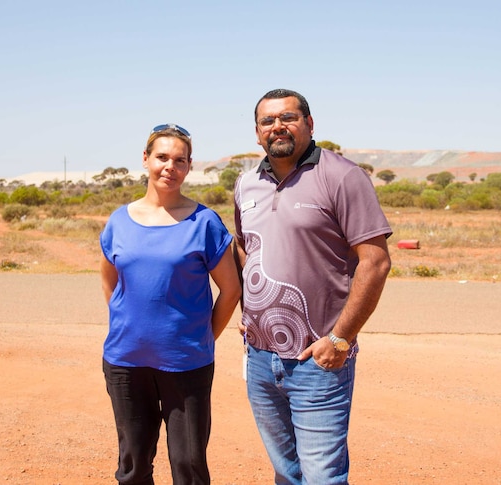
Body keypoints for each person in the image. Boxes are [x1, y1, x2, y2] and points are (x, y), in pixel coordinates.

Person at [233, 89, 392, 484]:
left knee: (322, 477)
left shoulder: (342, 176)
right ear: (257, 133)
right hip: (259, 359)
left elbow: (375, 262)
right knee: (286, 473)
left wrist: (340, 339)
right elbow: (244, 248)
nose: (277, 127)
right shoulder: (246, 184)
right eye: (267, 121)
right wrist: (249, 310)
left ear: (309, 123)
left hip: (318, 359)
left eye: (288, 117)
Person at [99, 123, 241, 485]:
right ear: (145, 160)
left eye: (180, 160)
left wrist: (204, 337)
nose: (170, 167)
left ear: (189, 167)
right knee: (132, 465)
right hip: (126, 361)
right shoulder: (119, 221)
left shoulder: (204, 222)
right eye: (162, 157)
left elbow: (231, 289)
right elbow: (110, 280)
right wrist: (128, 324)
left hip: (186, 362)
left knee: (189, 465)